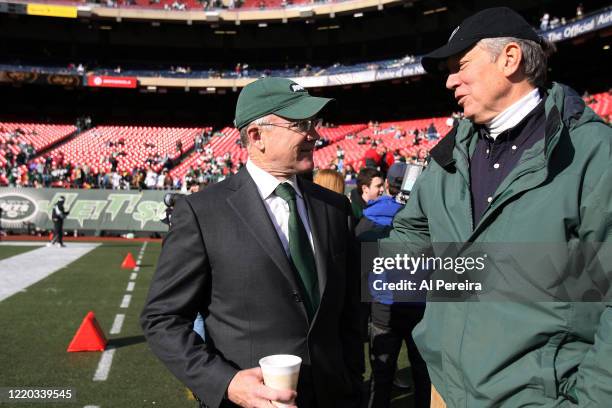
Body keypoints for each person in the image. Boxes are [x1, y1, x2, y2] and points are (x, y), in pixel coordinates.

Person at [382, 6, 612, 407]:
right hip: (445, 389)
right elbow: (411, 234)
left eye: (461, 65)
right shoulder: (448, 155)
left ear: (510, 58)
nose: (450, 80)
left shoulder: (593, 154)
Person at [141, 77, 363, 408]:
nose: (314, 135)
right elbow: (162, 319)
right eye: (300, 124)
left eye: (313, 123)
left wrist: (352, 375)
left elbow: (348, 308)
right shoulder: (203, 212)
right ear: (256, 136)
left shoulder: (334, 207)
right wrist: (225, 382)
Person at [356, 163, 430, 408]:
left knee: (382, 373)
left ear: (387, 185)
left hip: (384, 305)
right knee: (422, 371)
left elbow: (361, 268)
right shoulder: (427, 214)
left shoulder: (367, 219)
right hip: (420, 303)